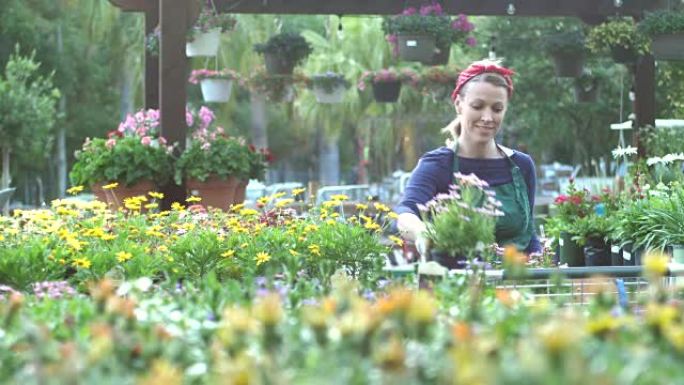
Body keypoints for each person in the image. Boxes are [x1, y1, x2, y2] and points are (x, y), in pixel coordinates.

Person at [394, 59, 542, 260]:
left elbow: (527, 232)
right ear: (459, 105)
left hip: (516, 283)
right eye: (478, 106)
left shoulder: (521, 165)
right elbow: (404, 213)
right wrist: (423, 233)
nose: (487, 117)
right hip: (456, 284)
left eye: (497, 109)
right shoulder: (437, 165)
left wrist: (541, 268)